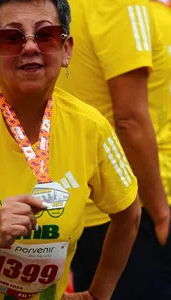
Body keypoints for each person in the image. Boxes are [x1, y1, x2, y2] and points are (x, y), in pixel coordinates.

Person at [0, 1, 141, 299]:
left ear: (67, 49)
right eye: (12, 38)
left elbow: (129, 214)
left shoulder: (92, 127)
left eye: (45, 35)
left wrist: (99, 294)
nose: (30, 47)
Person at [56, 0, 171, 299]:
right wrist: (161, 215)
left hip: (91, 203)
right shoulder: (121, 4)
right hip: (133, 207)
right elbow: (130, 119)